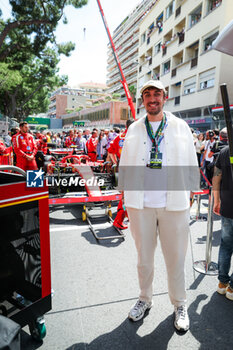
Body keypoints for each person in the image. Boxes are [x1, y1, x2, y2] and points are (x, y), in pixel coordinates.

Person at [119, 80, 199, 331]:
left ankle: (180, 303)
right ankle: (145, 298)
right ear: (143, 99)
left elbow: (191, 162)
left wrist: (192, 197)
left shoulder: (180, 126)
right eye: (147, 95)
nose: (152, 99)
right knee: (144, 259)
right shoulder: (134, 128)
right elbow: (124, 164)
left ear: (165, 97)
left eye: (157, 94)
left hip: (174, 204)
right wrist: (124, 198)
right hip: (140, 204)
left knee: (175, 259)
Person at [213, 144, 233, 300]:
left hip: (227, 206)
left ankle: (222, 283)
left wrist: (216, 200)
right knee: (225, 244)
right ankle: (231, 288)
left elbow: (216, 177)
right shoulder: (226, 151)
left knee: (226, 245)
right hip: (227, 207)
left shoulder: (225, 151)